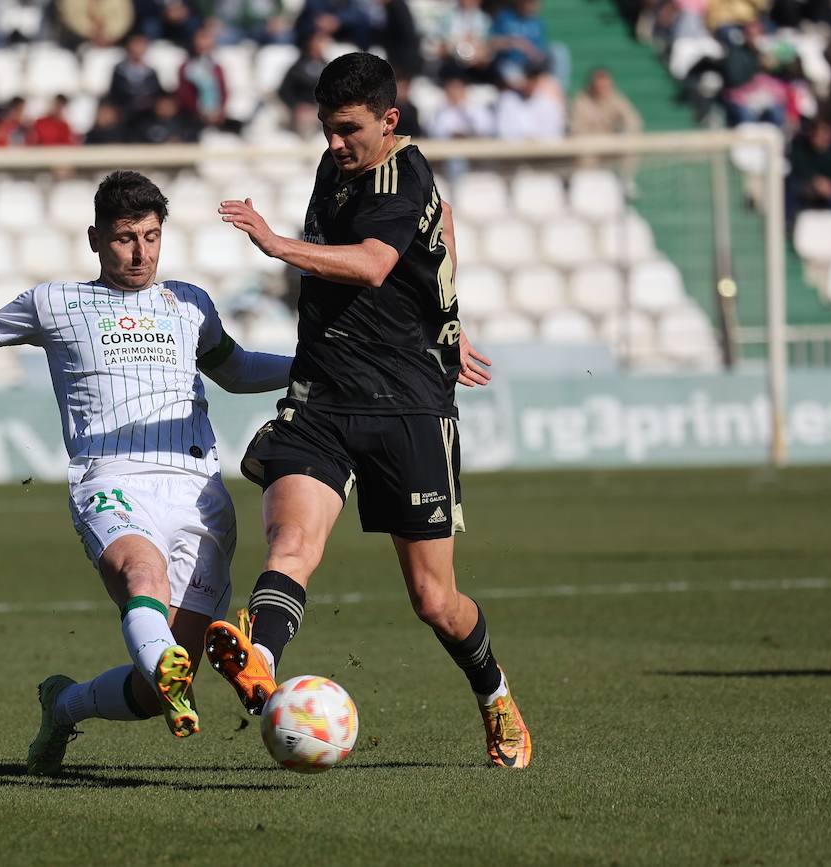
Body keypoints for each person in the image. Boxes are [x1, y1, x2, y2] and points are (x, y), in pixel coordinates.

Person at [0, 171, 293, 777]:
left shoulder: (188, 302)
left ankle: (64, 705)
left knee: (159, 688)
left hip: (199, 493)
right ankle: (167, 661)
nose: (139, 252)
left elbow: (238, 369)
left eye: (150, 236)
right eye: (123, 238)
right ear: (95, 238)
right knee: (141, 575)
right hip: (111, 479)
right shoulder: (55, 304)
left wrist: (312, 370)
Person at [210, 52, 532, 768]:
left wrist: (273, 243)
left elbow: (374, 263)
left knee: (433, 598)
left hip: (407, 408)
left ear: (389, 120)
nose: (333, 143)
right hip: (322, 394)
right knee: (292, 543)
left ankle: (495, 695)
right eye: (326, 129)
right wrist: (442, 308)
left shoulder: (402, 171)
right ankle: (258, 659)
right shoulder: (342, 165)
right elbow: (436, 230)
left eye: (348, 129)